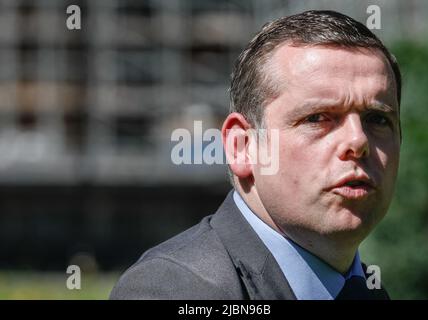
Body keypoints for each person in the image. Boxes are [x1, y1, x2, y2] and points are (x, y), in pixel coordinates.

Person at [110, 10, 402, 300]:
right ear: (242, 146)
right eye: (318, 118)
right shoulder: (172, 289)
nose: (358, 140)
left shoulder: (366, 291)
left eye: (377, 119)